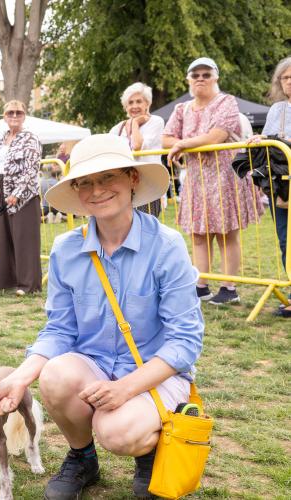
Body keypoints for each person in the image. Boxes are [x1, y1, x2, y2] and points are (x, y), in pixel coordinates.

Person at [0, 134, 205, 500]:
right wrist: (21, 378)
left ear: (132, 179)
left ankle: (150, 450)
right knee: (54, 375)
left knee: (115, 430)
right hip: (95, 366)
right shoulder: (66, 249)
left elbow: (185, 341)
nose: (97, 190)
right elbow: (60, 329)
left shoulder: (166, 245)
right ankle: (82, 458)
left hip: (154, 371)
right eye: (85, 182)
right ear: (75, 191)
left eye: (108, 177)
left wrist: (125, 389)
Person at [163, 57, 263, 305]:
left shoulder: (226, 102)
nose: (200, 79)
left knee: (226, 233)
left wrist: (183, 144)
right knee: (199, 234)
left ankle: (229, 288)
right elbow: (165, 138)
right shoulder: (182, 109)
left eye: (206, 74)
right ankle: (201, 284)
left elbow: (216, 136)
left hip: (225, 176)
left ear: (215, 77)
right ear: (188, 79)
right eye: (195, 75)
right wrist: (183, 144)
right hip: (196, 179)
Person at [0, 100, 43, 296]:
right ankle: (4, 282)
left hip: (24, 196)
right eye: (10, 113)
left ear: (24, 115)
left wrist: (17, 193)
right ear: (4, 116)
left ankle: (28, 285)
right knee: (2, 238)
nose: (14, 116)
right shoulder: (2, 138)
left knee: (24, 239)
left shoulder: (31, 138)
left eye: (18, 112)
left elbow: (31, 169)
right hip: (0, 191)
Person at [249, 56, 291, 317]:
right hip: (282, 185)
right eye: (286, 78)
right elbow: (270, 142)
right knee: (286, 239)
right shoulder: (277, 110)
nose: (290, 82)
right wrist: (260, 140)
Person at [109, 82, 165, 216]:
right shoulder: (118, 128)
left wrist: (135, 123)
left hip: (148, 186)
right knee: (124, 224)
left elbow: (137, 146)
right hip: (124, 185)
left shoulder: (156, 121)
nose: (134, 106)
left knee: (146, 225)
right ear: (125, 107)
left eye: (139, 101)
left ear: (147, 104)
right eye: (130, 102)